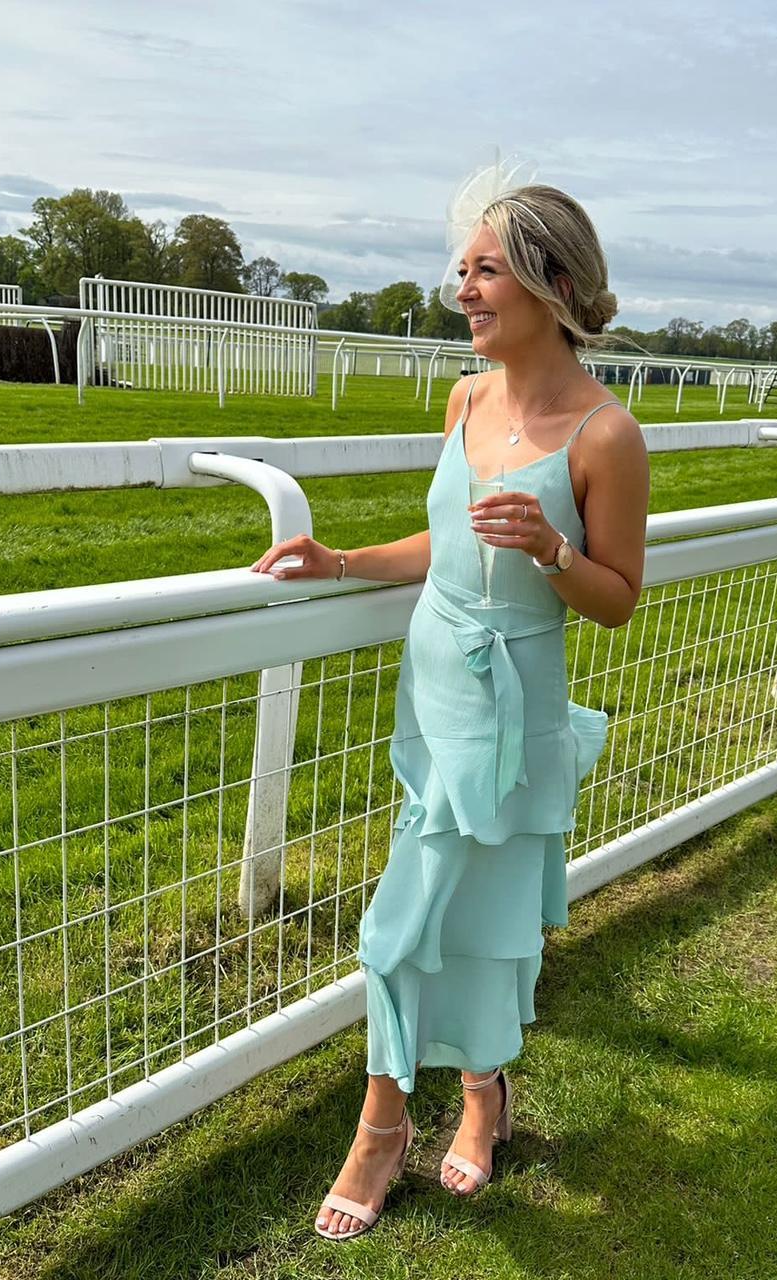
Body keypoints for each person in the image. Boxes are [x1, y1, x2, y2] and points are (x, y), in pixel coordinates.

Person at [252, 179, 649, 1241]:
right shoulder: (466, 400)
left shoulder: (606, 436)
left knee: (408, 929)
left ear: (551, 283)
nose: (460, 290)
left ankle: (382, 1128)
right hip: (430, 700)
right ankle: (483, 1096)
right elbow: (445, 547)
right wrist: (335, 559)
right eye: (461, 269)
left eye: (482, 269)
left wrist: (554, 552)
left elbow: (614, 598)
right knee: (444, 919)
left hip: (513, 713)